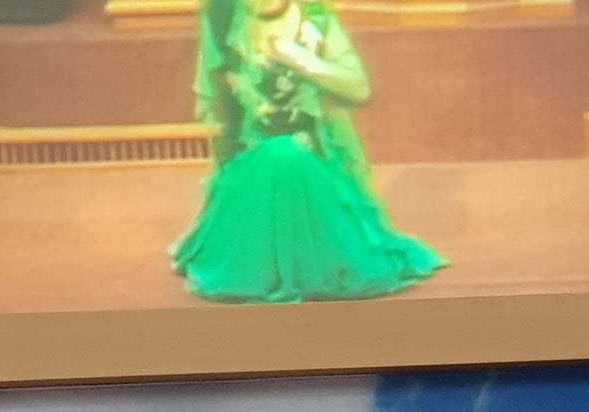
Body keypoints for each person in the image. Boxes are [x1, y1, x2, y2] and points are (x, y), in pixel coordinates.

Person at [171, 0, 446, 303]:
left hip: (314, 160)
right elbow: (218, 111)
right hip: (252, 165)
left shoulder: (315, 17)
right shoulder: (222, 17)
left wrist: (302, 60)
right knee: (280, 155)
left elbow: (358, 88)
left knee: (289, 155)